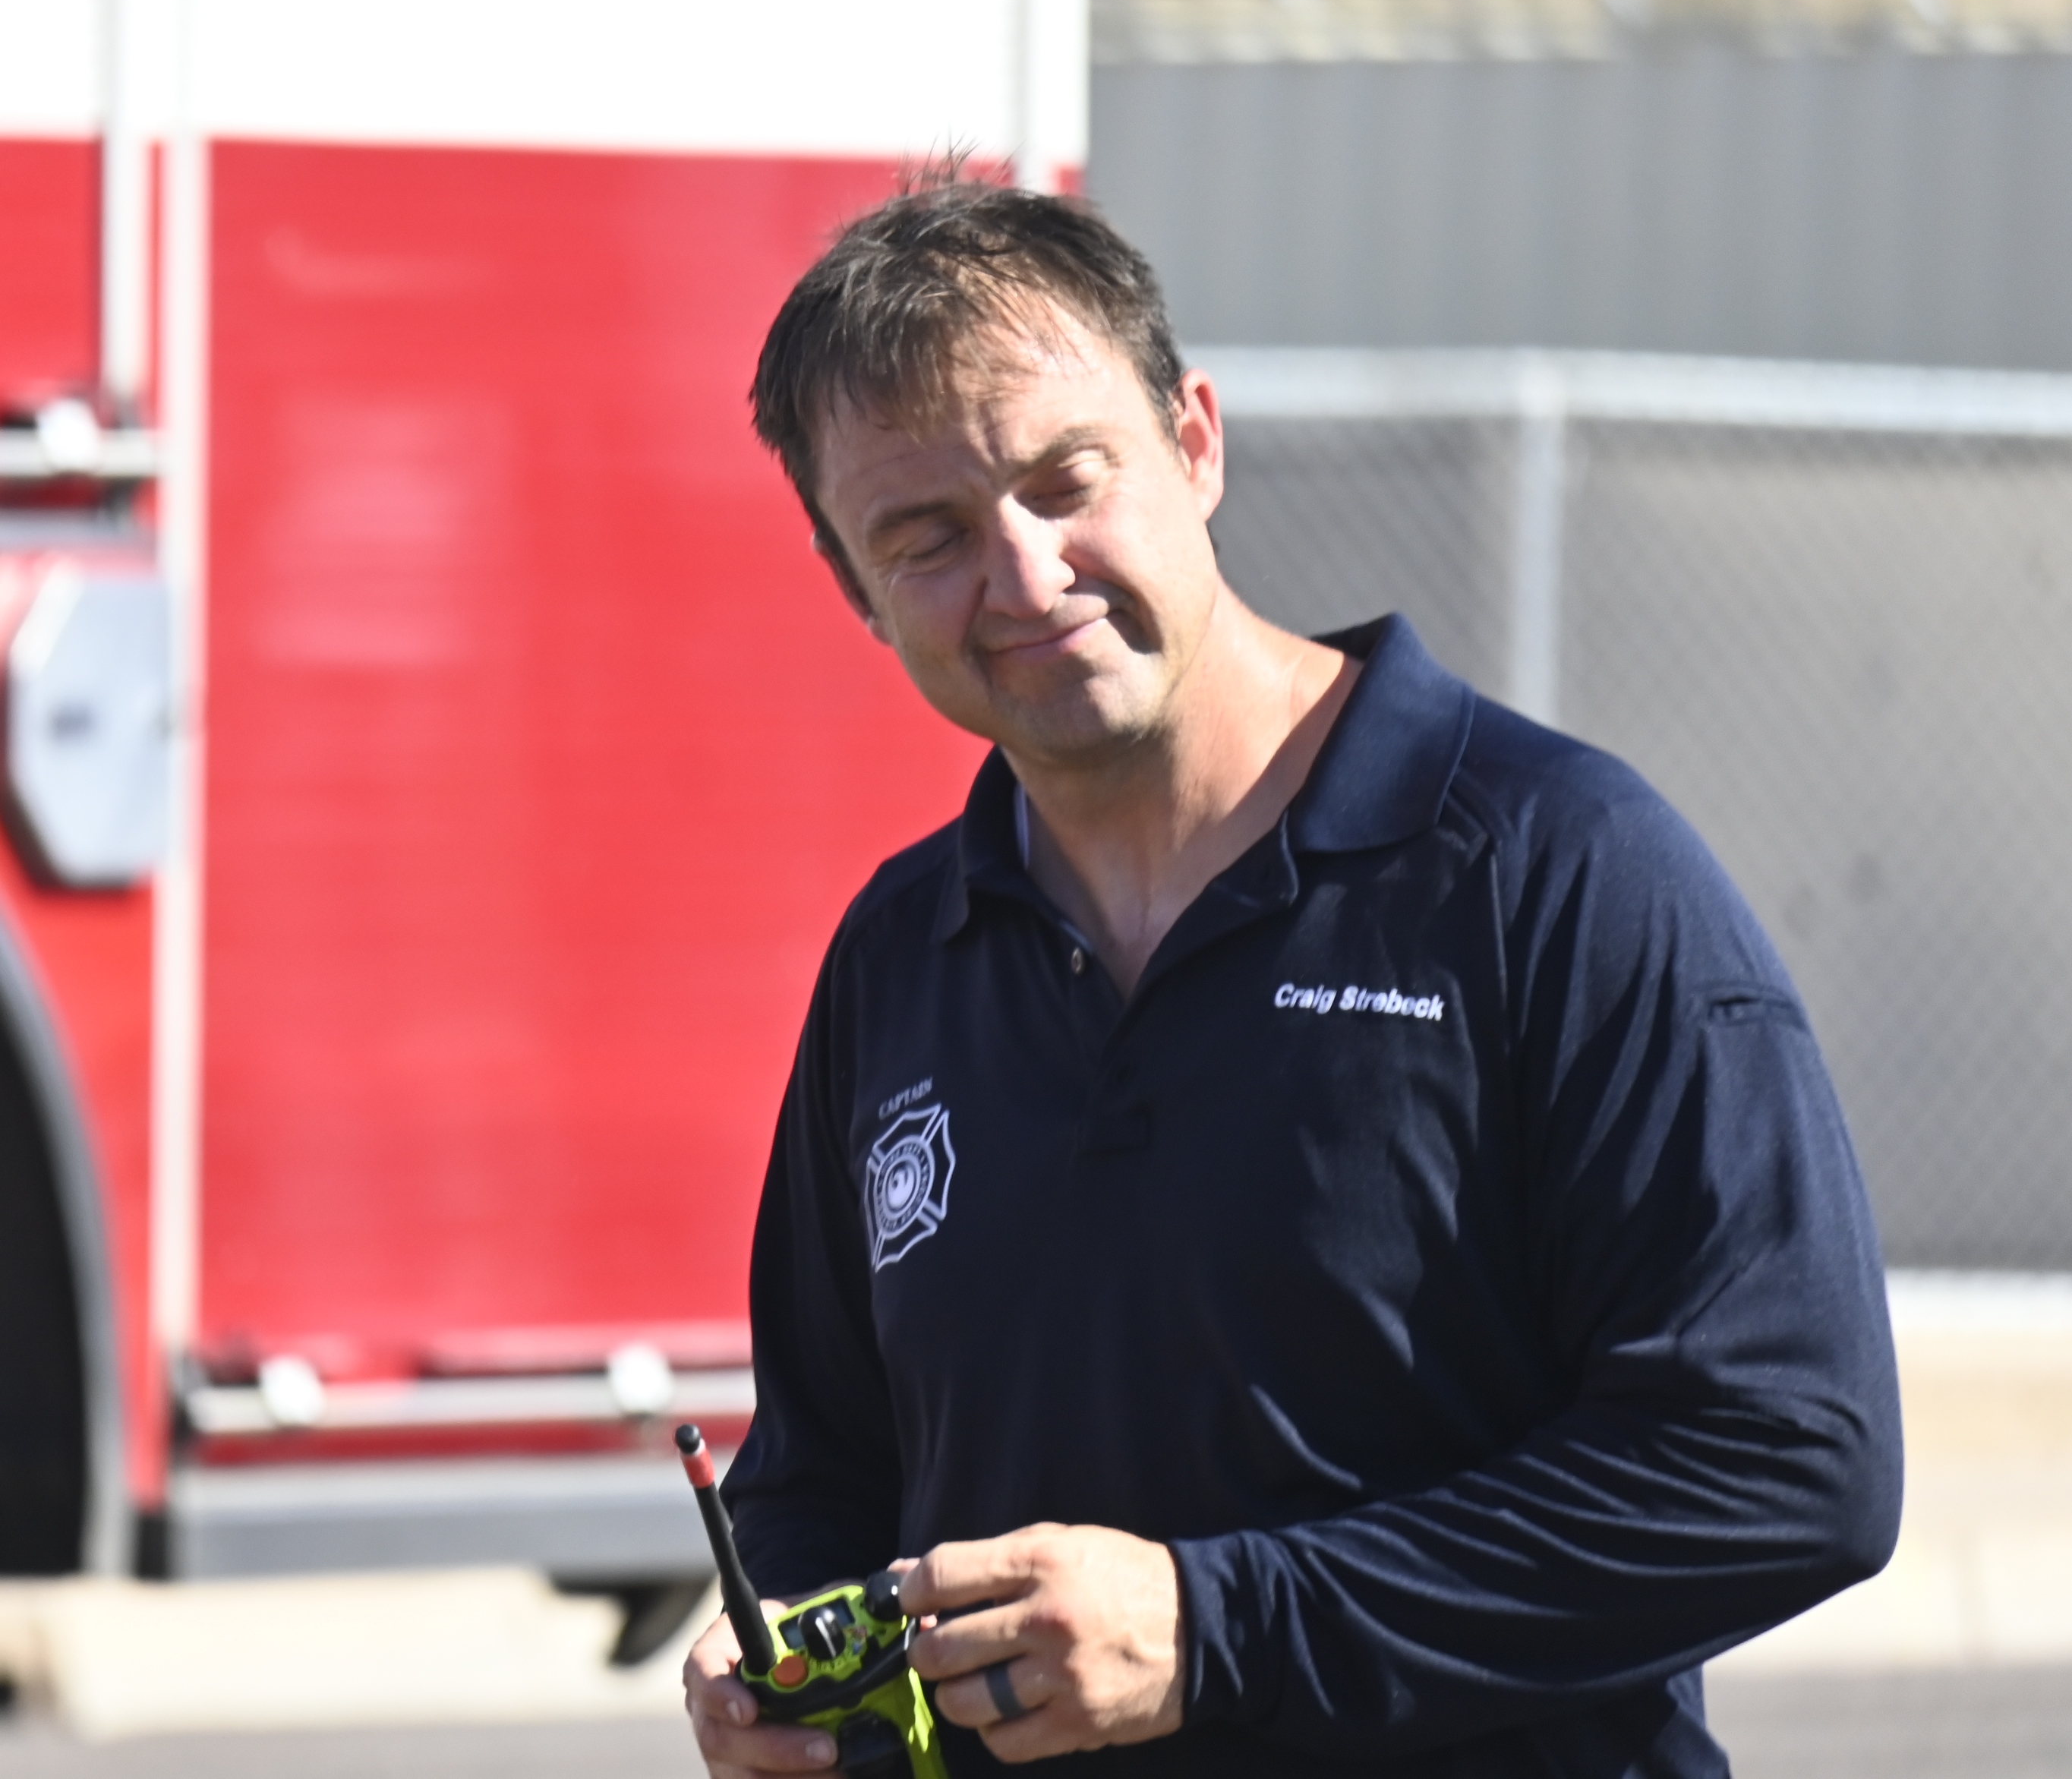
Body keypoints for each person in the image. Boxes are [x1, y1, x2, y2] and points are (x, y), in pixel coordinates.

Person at [684, 176, 1902, 1778]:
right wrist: (790, 1649)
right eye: (928, 539)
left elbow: (1787, 1458)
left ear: (1194, 442)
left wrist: (1215, 1628)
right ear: (855, 588)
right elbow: (827, 1470)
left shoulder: (1554, 870)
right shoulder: (902, 956)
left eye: (1066, 481)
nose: (1025, 575)